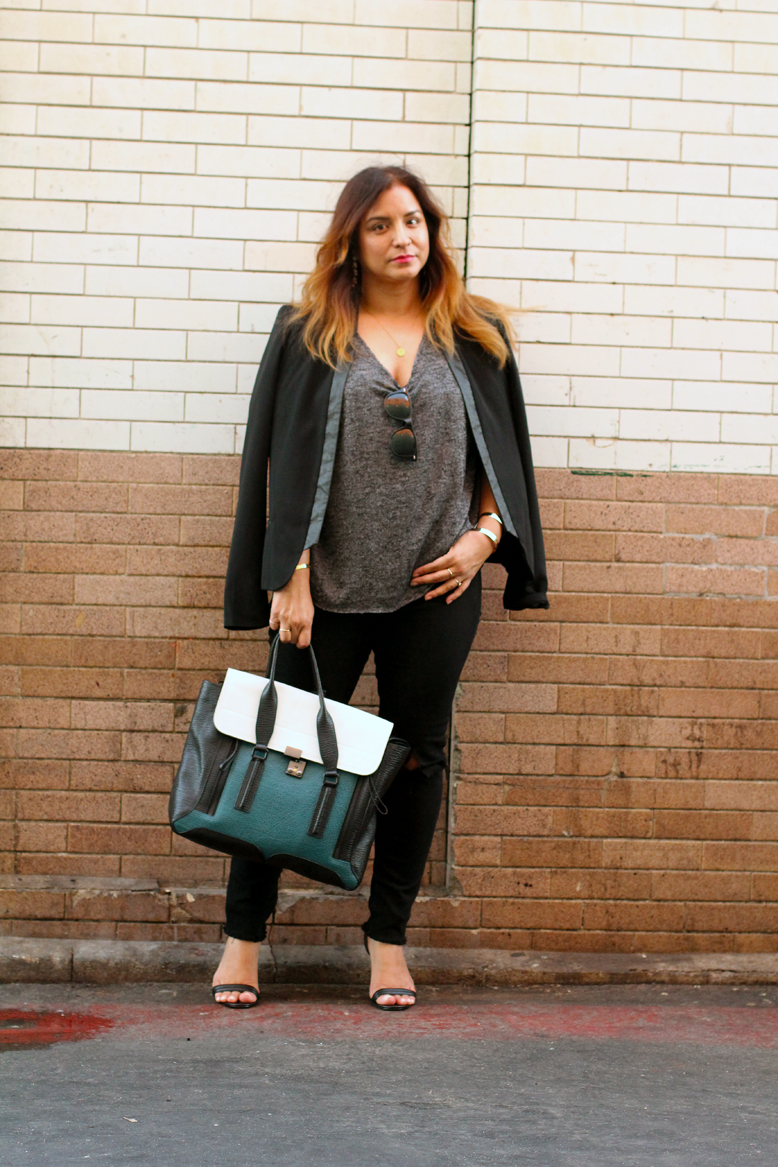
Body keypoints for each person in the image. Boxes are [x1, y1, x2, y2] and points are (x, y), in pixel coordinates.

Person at [211, 165, 548, 1010]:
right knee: (280, 749)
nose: (404, 238)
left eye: (415, 222)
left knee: (420, 757)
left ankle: (387, 942)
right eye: (381, 226)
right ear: (352, 242)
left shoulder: (474, 333)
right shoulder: (309, 331)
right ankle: (243, 939)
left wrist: (484, 541)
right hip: (320, 591)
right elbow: (275, 459)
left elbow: (498, 458)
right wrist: (287, 576)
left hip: (435, 591)